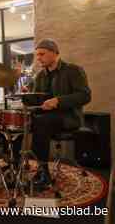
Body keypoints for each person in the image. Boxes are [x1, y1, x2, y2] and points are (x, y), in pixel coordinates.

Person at [28, 39, 91, 189]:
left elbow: (85, 96)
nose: (38, 58)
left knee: (41, 121)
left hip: (70, 118)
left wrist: (58, 101)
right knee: (20, 121)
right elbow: (37, 99)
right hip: (47, 118)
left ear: (54, 53)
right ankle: (15, 166)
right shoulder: (40, 76)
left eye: (42, 54)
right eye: (37, 55)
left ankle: (43, 173)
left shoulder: (73, 70)